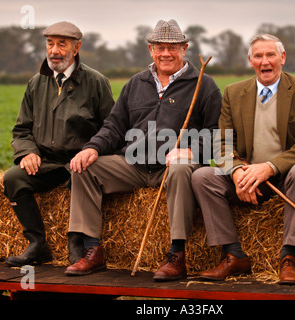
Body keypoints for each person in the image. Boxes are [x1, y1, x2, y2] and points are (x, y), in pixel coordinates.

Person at [64, 19, 222, 279]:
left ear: (185, 48)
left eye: (173, 47)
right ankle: (93, 251)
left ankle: (176, 255)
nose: (166, 53)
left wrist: (191, 151)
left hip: (173, 167)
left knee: (182, 169)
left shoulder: (204, 84)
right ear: (151, 50)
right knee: (84, 169)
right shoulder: (136, 83)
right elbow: (114, 126)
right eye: (160, 47)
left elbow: (218, 134)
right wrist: (92, 148)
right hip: (134, 164)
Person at [191, 34, 295, 283]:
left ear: (282, 58)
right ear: (250, 61)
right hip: (249, 179)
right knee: (202, 176)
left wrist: (270, 167)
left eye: (271, 55)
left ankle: (289, 257)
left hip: (288, 177)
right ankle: (234, 255)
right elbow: (222, 144)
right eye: (258, 56)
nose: (265, 61)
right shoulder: (234, 93)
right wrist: (236, 173)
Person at [3, 21, 115, 267]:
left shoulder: (96, 82)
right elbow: (22, 129)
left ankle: (77, 243)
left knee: (80, 175)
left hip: (80, 163)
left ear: (76, 48)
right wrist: (27, 152)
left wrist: (91, 152)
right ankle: (37, 243)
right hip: (48, 163)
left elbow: (111, 127)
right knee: (13, 178)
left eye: (61, 45)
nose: (54, 51)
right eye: (50, 44)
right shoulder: (36, 83)